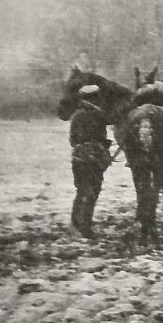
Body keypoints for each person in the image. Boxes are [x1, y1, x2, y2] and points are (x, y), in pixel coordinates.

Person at [69, 85, 113, 239]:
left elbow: (72, 140)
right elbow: (101, 135)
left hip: (78, 158)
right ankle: (86, 227)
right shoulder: (98, 115)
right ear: (94, 97)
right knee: (93, 191)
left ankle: (75, 222)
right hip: (93, 158)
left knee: (81, 190)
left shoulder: (76, 116)